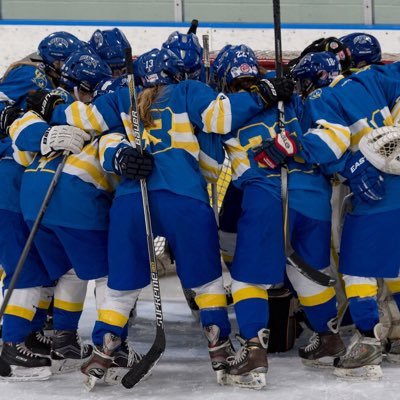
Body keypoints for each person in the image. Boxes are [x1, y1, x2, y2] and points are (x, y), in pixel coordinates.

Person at [23, 46, 293, 388]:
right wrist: (262, 95)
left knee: (120, 286)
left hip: (131, 202)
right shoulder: (188, 91)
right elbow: (220, 122)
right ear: (174, 74)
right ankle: (218, 343)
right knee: (206, 280)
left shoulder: (122, 97)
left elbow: (83, 122)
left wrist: (52, 107)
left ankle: (106, 345)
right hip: (185, 199)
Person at [252, 61, 400, 379]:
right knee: (395, 261)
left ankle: (368, 343)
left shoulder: (321, 98)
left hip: (377, 188)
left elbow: (329, 144)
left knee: (357, 265)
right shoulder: (371, 77)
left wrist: (293, 145)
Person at [8, 50, 113, 376]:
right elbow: (16, 133)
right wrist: (44, 135)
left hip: (27, 196)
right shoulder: (43, 97)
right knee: (25, 272)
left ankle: (48, 335)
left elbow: (20, 146)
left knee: (55, 270)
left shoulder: (53, 101)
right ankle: (12, 343)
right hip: (17, 199)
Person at [0, 31, 89, 381]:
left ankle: (27, 333)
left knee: (39, 265)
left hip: (17, 183)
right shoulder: (31, 73)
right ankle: (12, 342)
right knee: (27, 269)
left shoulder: (34, 78)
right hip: (8, 184)